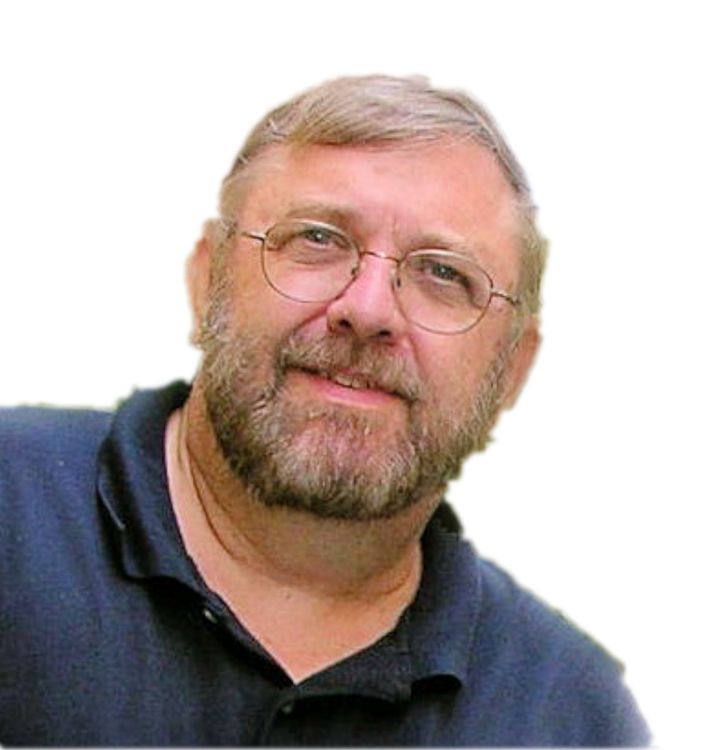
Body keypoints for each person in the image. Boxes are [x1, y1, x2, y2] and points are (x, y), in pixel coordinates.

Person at [0, 75, 649, 746]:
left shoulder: (571, 718)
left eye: (443, 274)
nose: (367, 310)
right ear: (206, 280)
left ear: (512, 368)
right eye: (317, 238)